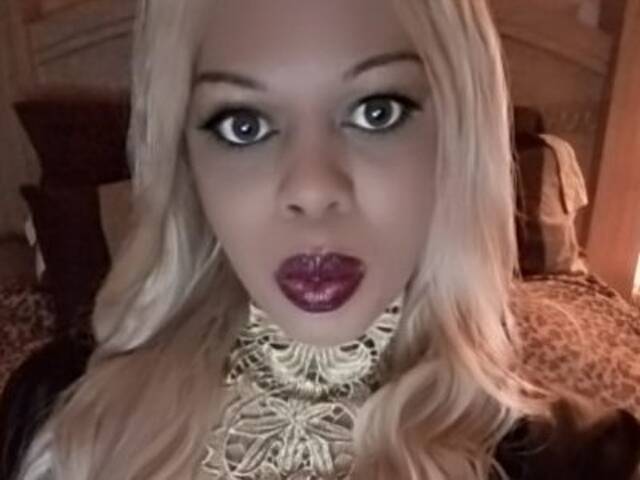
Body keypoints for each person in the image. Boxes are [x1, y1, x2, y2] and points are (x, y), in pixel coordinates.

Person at [8, 0, 640, 479]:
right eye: (243, 124)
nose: (312, 189)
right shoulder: (59, 417)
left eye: (376, 112)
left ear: (457, 136)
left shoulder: (580, 460)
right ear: (188, 163)